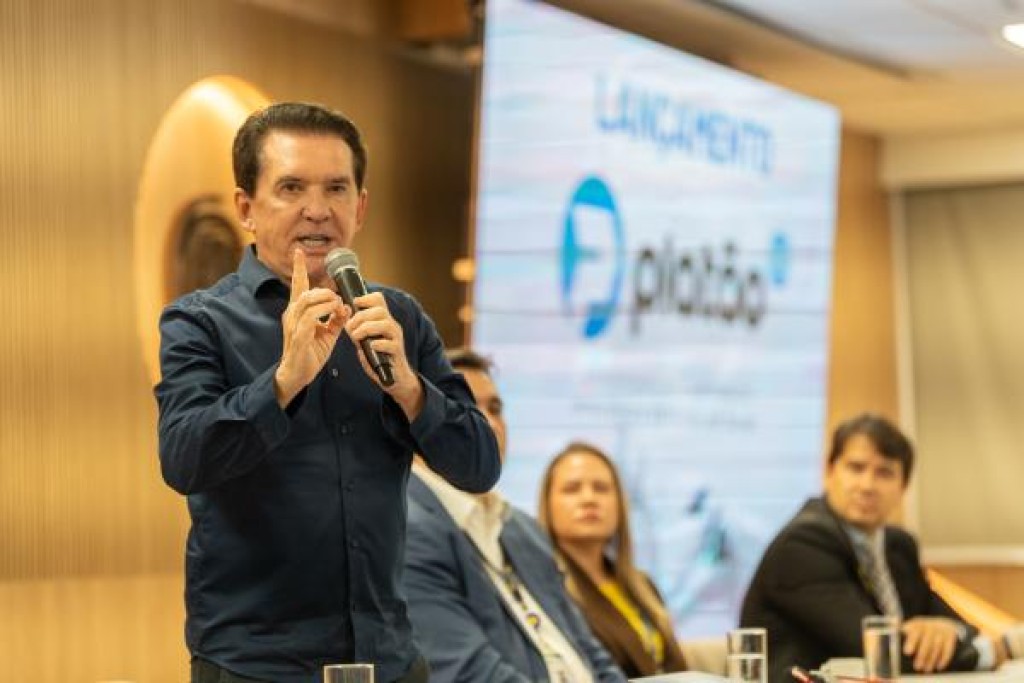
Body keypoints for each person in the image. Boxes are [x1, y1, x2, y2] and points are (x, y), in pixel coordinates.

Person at [155, 102, 501, 683]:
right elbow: (183, 459)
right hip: (255, 667)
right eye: (291, 188)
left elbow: (479, 465)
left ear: (360, 207)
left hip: (390, 660)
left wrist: (411, 390)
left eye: (336, 188)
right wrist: (283, 380)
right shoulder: (199, 322)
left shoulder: (398, 319)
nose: (317, 210)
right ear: (246, 207)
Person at [402, 349, 626, 682]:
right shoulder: (406, 528)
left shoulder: (523, 529)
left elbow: (590, 653)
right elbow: (469, 673)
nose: (488, 423)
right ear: (419, 418)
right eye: (466, 406)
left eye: (495, 409)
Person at [740, 413, 1001, 683]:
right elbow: (882, 656)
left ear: (903, 487)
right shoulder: (802, 546)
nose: (867, 486)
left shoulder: (898, 546)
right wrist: (990, 652)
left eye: (884, 473)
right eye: (856, 468)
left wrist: (946, 631)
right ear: (829, 472)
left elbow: (964, 627)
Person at [537, 441, 689, 678]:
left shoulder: (643, 585)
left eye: (601, 488)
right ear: (548, 505)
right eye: (572, 489)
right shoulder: (546, 591)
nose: (589, 499)